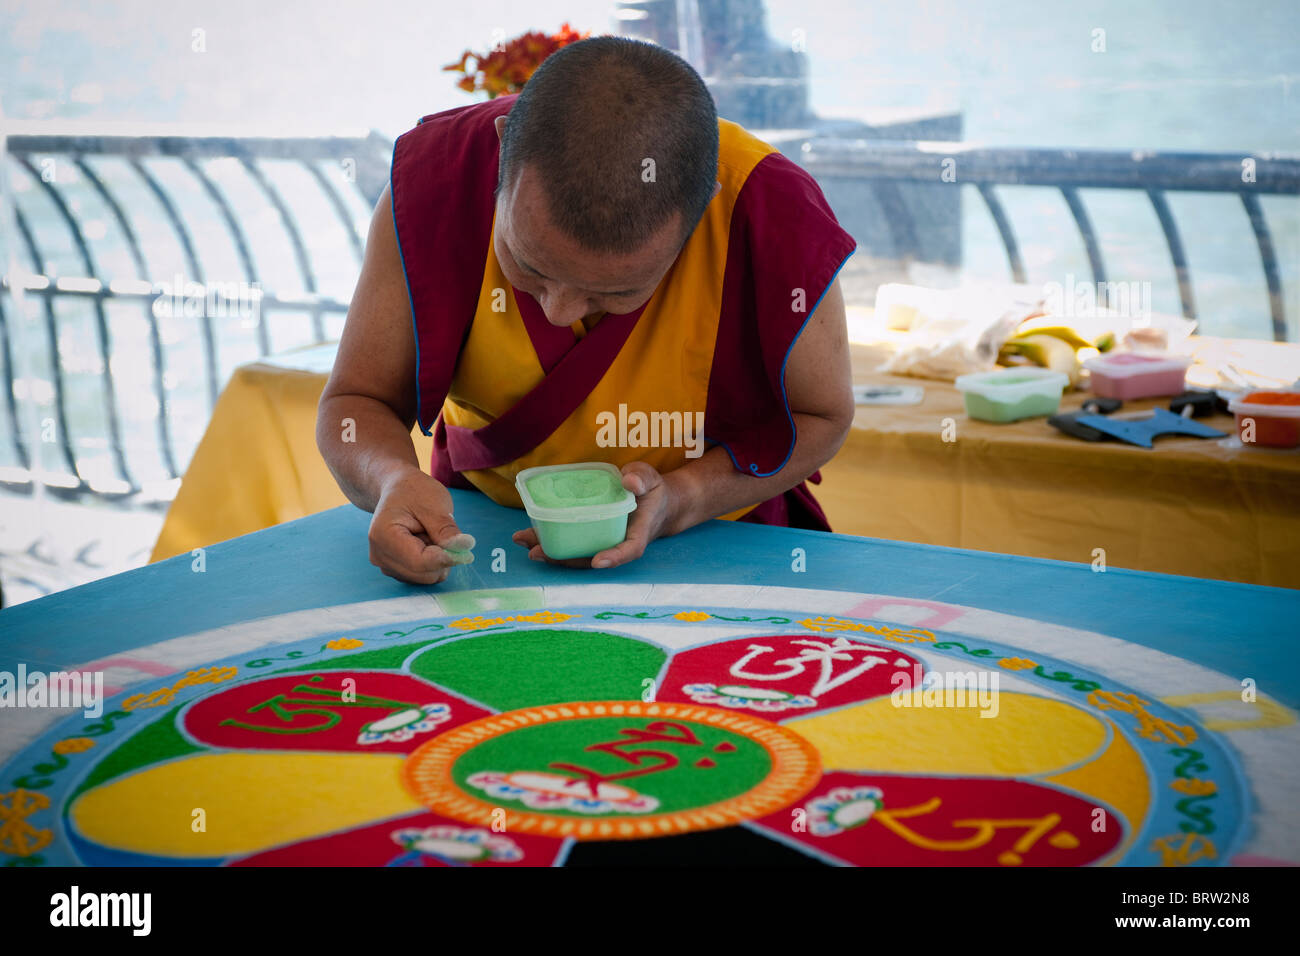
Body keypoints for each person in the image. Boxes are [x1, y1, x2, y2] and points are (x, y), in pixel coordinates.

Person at [316, 35, 856, 585]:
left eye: (615, 294)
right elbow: (357, 400)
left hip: (714, 543)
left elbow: (821, 417)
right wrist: (389, 479)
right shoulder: (439, 179)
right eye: (528, 266)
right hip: (482, 537)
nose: (558, 310)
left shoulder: (767, 212)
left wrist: (683, 497)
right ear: (503, 152)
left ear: (703, 211)